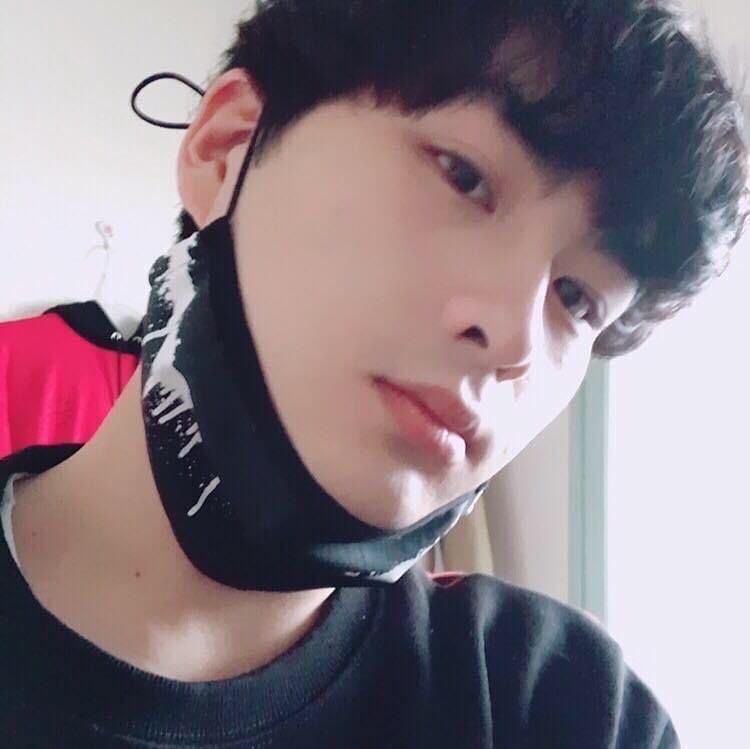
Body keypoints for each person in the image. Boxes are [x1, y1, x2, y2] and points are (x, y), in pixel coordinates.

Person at [1, 0, 746, 746]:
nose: (515, 338)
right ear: (227, 149)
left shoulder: (569, 708)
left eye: (577, 298)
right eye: (464, 177)